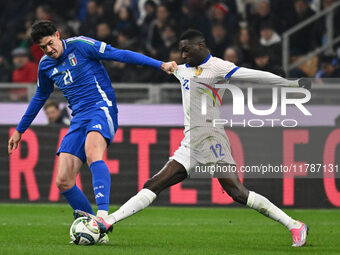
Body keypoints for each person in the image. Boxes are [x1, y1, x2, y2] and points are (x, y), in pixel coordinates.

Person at [75, 29, 311, 247]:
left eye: (187, 49)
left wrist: (290, 83)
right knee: (154, 184)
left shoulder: (219, 67)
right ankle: (108, 222)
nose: (183, 55)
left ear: (201, 45)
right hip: (190, 143)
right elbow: (161, 65)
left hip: (212, 138)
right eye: (180, 51)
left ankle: (295, 225)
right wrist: (161, 65)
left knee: (237, 192)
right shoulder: (183, 69)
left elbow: (256, 76)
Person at [7, 20, 177, 242]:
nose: (49, 50)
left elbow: (120, 54)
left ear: (58, 35)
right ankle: (96, 232)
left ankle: (102, 219)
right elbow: (40, 97)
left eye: (50, 43)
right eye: (43, 48)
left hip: (100, 107)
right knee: (63, 180)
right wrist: (20, 130)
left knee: (92, 152)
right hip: (78, 118)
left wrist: (160, 64)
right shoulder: (45, 66)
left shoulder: (81, 45)